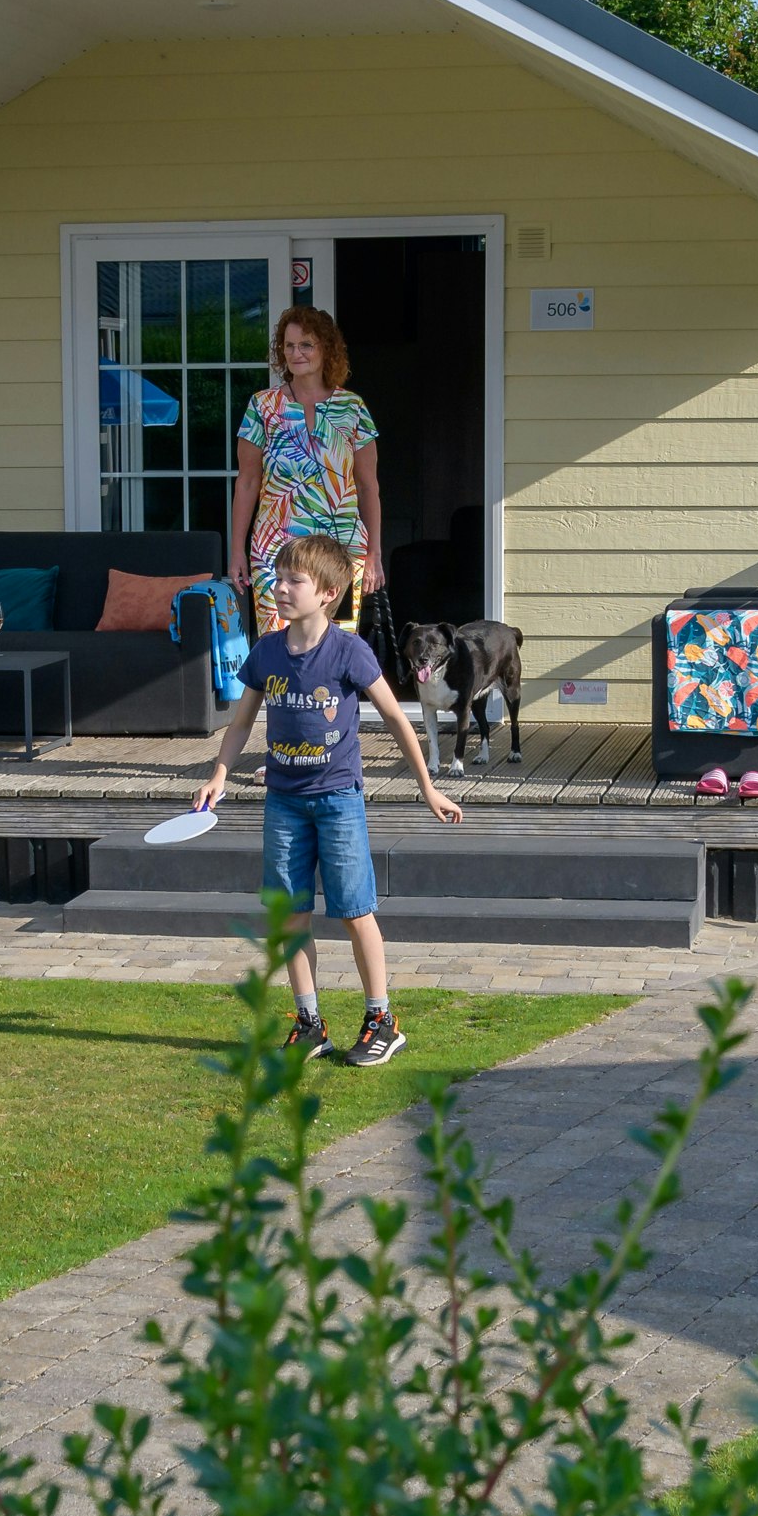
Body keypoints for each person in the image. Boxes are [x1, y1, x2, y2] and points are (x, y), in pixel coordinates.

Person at [188, 530, 461, 1067]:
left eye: (294, 580)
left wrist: (426, 785)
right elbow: (241, 723)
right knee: (290, 915)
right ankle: (310, 1024)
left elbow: (392, 716)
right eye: (279, 577)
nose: (281, 587)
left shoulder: (349, 651)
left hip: (338, 801)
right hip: (283, 804)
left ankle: (381, 1019)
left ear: (329, 593)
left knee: (355, 912)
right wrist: (219, 773)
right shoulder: (266, 651)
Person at [225, 301, 383, 634]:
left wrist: (374, 554)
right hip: (275, 551)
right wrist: (236, 549)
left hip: (341, 548)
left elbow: (368, 485)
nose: (297, 353)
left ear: (327, 348)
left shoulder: (352, 408)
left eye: (306, 345)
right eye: (289, 346)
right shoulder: (263, 406)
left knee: (336, 647)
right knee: (278, 646)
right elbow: (247, 482)